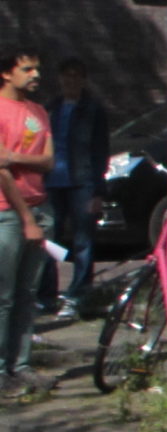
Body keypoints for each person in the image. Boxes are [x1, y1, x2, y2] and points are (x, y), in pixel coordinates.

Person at [0, 46, 53, 394]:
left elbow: (48, 161)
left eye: (36, 69)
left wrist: (17, 156)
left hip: (40, 206)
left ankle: (21, 364)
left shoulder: (37, 111)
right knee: (3, 295)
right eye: (27, 69)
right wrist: (26, 218)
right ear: (7, 73)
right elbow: (1, 171)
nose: (35, 75)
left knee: (27, 292)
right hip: (7, 212)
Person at [42, 56, 107, 312]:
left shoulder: (93, 109)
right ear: (60, 79)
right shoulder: (51, 107)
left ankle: (79, 292)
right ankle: (47, 294)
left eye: (76, 75)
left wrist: (98, 190)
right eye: (66, 75)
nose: (71, 80)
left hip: (82, 182)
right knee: (49, 239)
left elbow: (100, 149)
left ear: (83, 80)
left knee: (83, 239)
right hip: (52, 182)